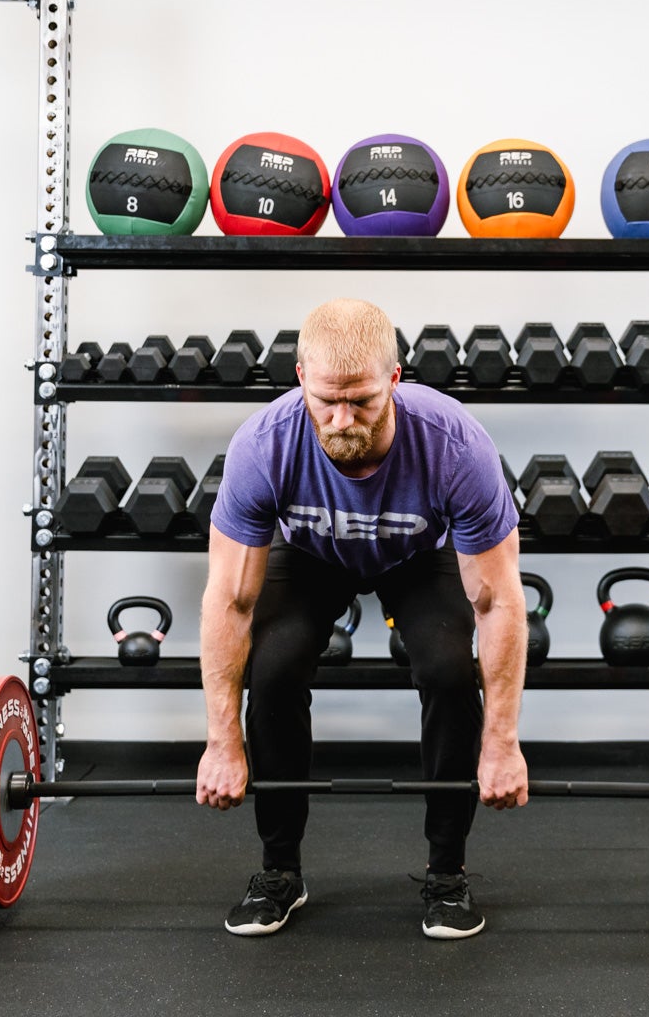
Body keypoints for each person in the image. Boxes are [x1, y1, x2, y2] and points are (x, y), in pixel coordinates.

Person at [194, 297, 530, 939]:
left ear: (396, 380)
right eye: (327, 400)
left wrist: (503, 744)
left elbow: (499, 602)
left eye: (364, 401)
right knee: (273, 670)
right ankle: (280, 871)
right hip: (313, 555)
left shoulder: (455, 446)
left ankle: (447, 872)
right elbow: (229, 601)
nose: (343, 417)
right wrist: (221, 743)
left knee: (450, 671)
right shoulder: (264, 446)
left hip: (417, 555)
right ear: (299, 378)